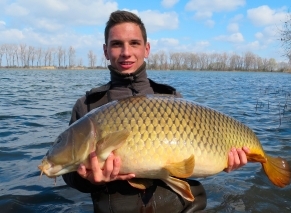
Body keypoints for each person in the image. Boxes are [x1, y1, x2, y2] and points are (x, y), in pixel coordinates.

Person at [62, 10, 250, 213]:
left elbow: (193, 160)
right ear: (106, 50)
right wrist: (90, 180)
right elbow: (69, 172)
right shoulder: (87, 106)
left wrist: (225, 162)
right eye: (117, 44)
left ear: (147, 49)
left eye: (134, 43)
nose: (126, 52)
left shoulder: (172, 98)